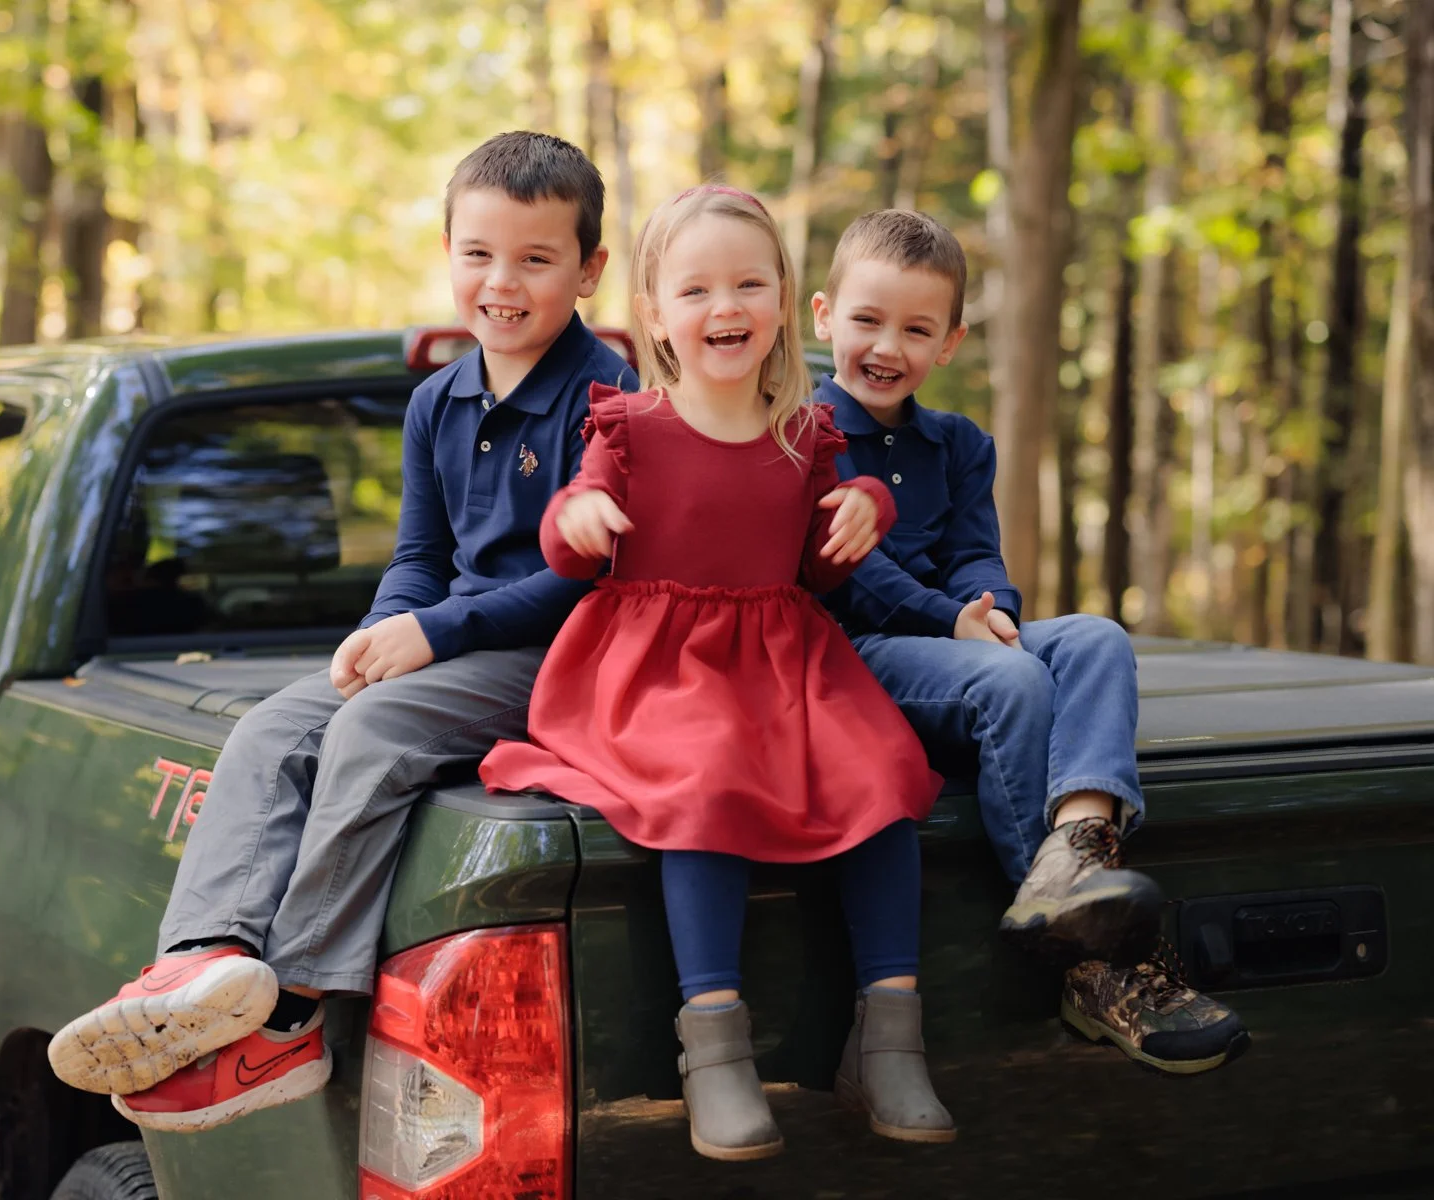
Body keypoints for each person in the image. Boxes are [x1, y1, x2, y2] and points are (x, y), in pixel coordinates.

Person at [46, 131, 639, 1132]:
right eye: (479, 254)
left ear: (588, 270)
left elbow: (582, 580)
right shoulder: (436, 401)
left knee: (372, 733)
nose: (503, 281)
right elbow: (417, 555)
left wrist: (431, 637)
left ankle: (290, 1020)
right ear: (449, 250)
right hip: (455, 643)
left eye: (537, 260)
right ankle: (203, 962)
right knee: (273, 730)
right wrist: (382, 632)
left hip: (566, 652)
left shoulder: (604, 398)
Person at [481, 185, 953, 1160]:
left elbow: (822, 563)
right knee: (704, 779)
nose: (724, 307)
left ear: (784, 299)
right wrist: (572, 522)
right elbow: (576, 531)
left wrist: (865, 505)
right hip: (657, 668)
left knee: (883, 774)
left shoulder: (806, 436)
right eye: (695, 290)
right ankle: (716, 1046)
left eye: (748, 283)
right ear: (654, 313)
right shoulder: (629, 427)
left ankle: (892, 1034)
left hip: (784, 660)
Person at [810, 208, 1250, 1075]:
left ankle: (1077, 852)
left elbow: (977, 550)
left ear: (951, 342)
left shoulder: (958, 444)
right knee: (1006, 685)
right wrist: (960, 626)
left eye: (916, 327)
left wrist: (995, 611)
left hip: (957, 638)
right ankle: (1098, 967)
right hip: (850, 652)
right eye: (867, 320)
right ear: (824, 316)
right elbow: (850, 570)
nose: (886, 345)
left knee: (1092, 639)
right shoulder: (805, 436)